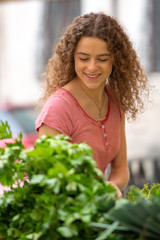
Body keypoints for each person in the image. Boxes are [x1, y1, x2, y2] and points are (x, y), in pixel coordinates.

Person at [35, 12, 150, 197]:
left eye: (102, 59)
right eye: (83, 58)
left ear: (116, 60)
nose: (92, 67)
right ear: (71, 57)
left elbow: (121, 169)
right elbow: (47, 181)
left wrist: (110, 187)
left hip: (96, 211)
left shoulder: (115, 100)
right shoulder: (58, 108)